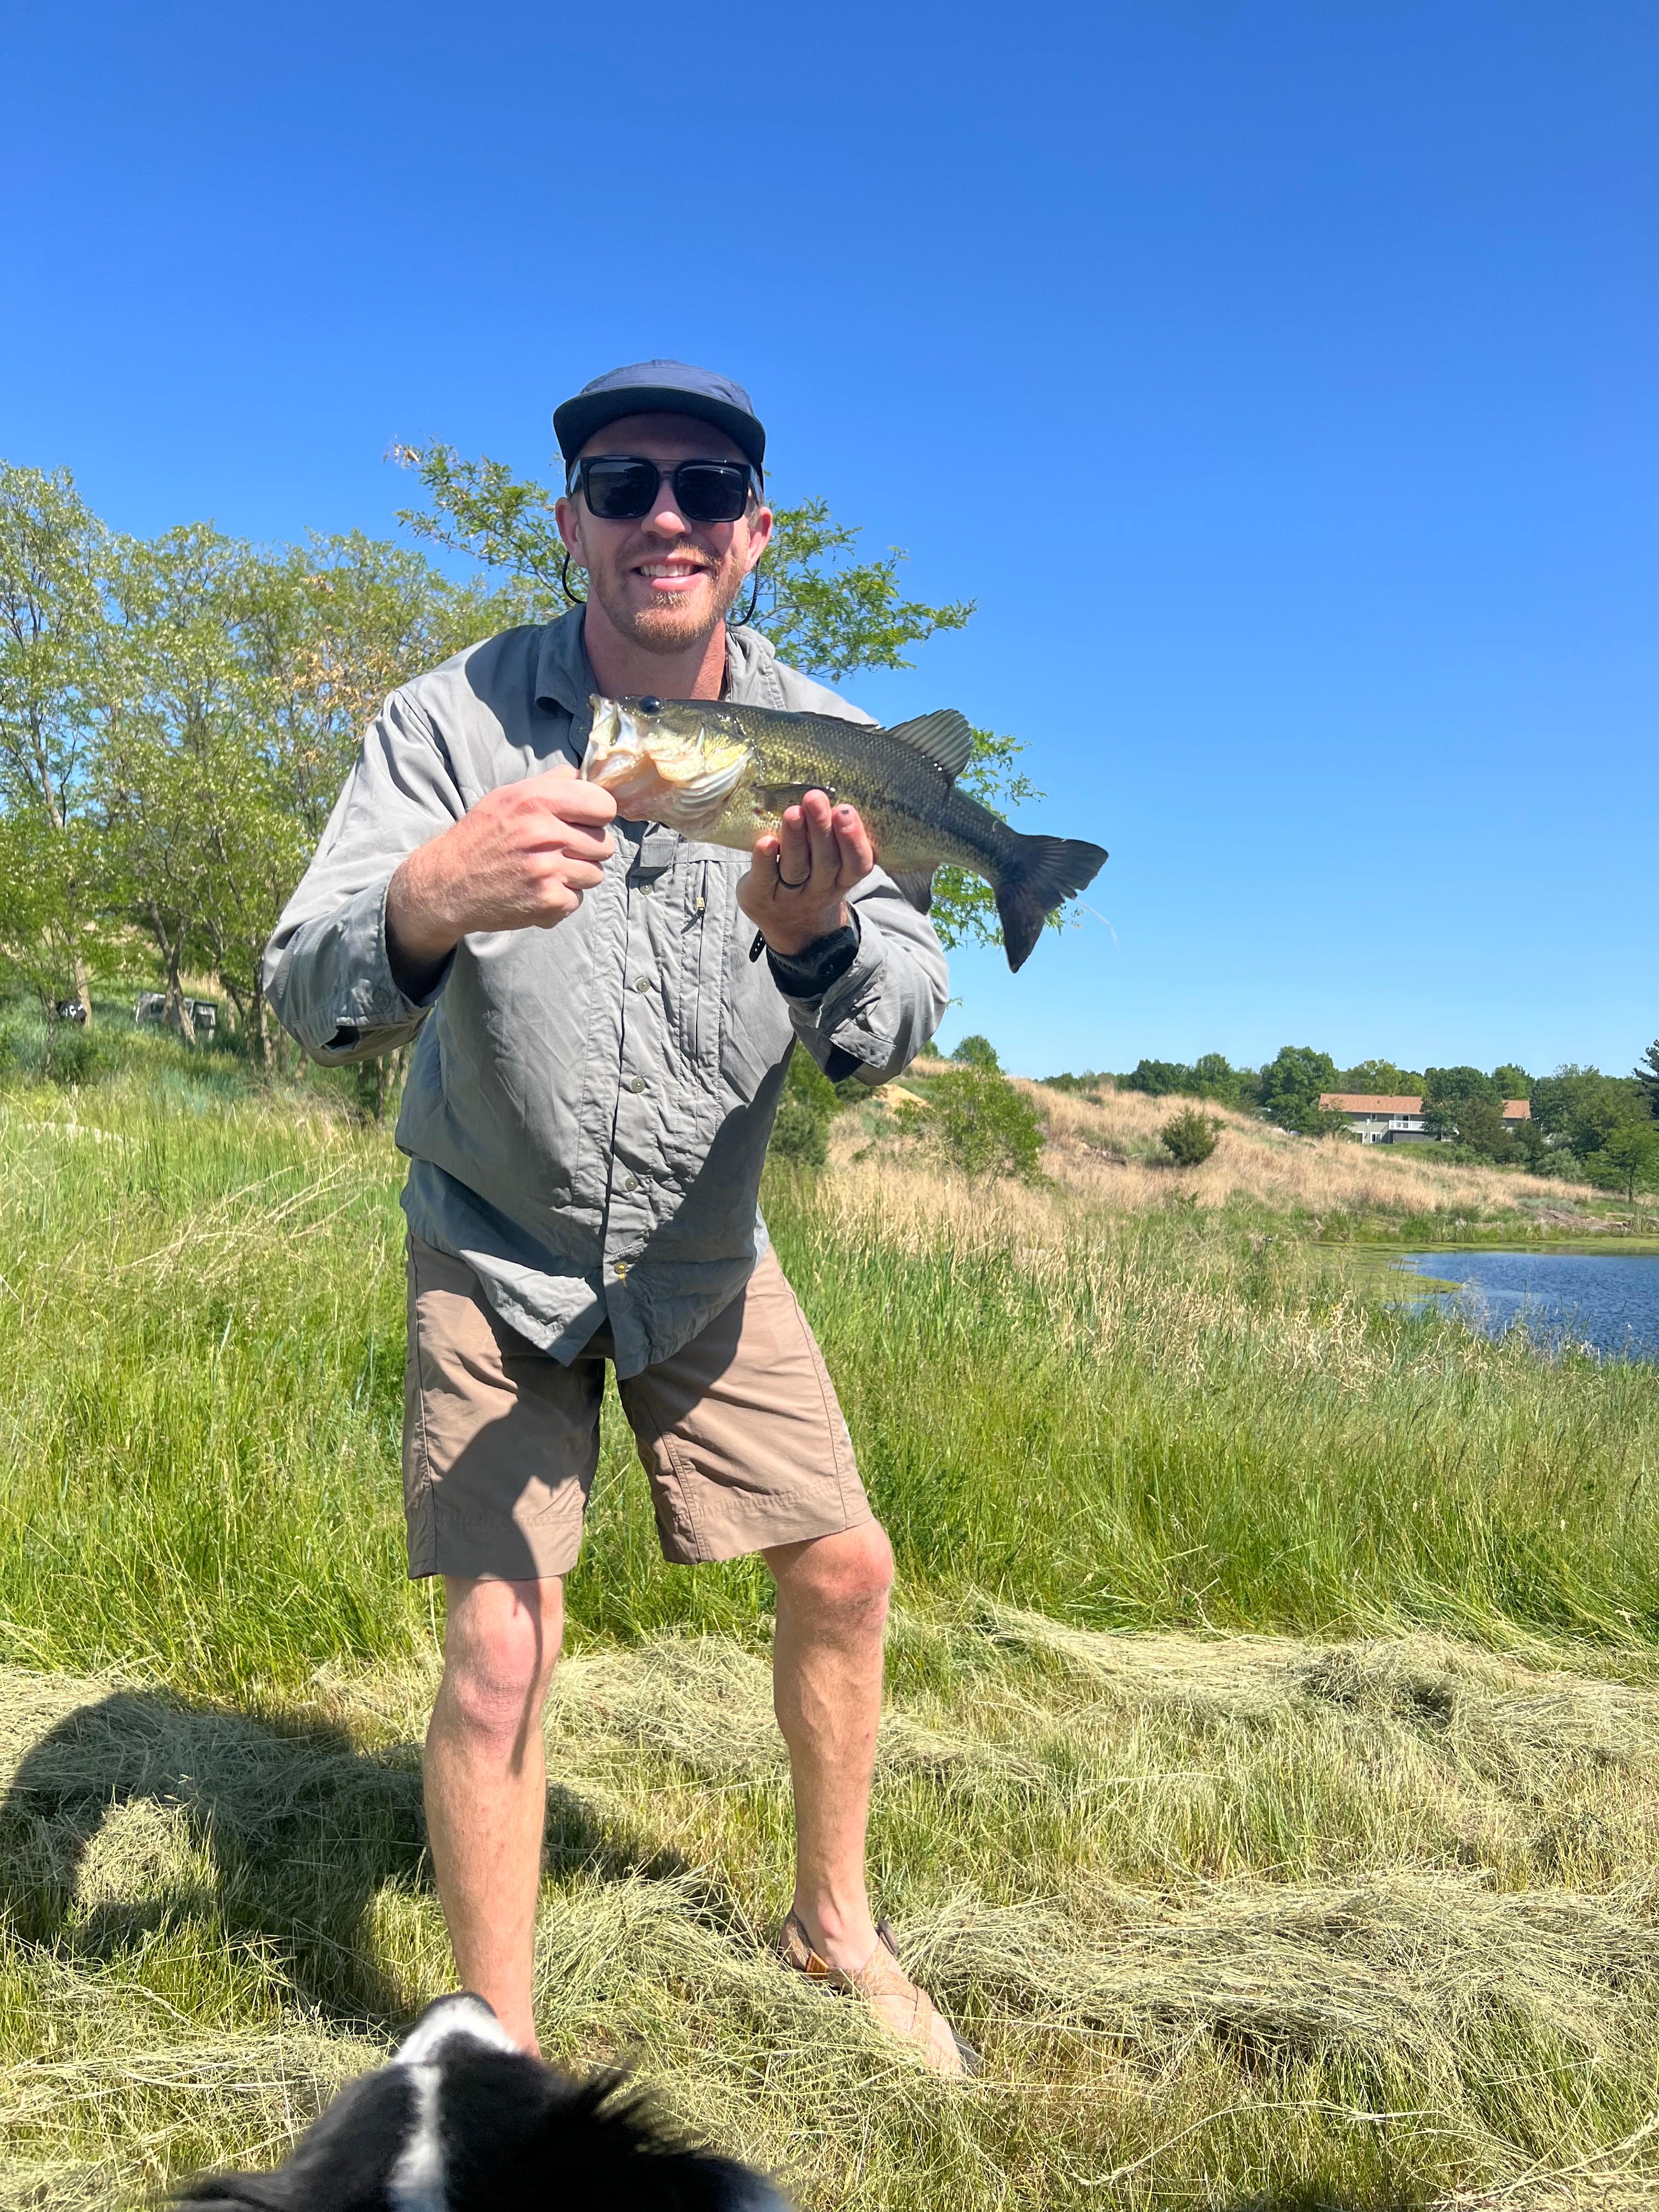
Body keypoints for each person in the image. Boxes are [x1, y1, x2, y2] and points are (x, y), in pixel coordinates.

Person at [264, 361, 972, 2075]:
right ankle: (495, 2044)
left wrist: (818, 941)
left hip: (704, 1247)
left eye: (707, 488)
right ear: (572, 518)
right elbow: (307, 988)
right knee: (506, 1626)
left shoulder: (830, 751)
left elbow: (900, 1020)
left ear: (755, 537)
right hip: (496, 1233)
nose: (667, 515)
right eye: (626, 481)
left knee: (849, 1568)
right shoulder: (448, 723)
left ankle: (834, 1924)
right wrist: (431, 900)